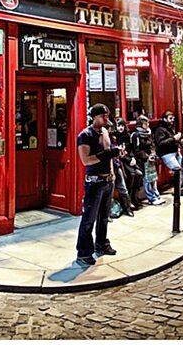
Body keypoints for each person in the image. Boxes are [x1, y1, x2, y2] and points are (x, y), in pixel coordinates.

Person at [75, 104, 120, 266]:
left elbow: (108, 156)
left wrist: (113, 169)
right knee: (89, 218)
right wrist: (106, 155)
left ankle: (101, 244)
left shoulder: (106, 132)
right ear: (94, 117)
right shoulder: (85, 135)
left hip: (108, 180)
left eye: (107, 116)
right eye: (103, 116)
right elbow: (86, 160)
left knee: (104, 217)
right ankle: (84, 252)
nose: (106, 119)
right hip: (94, 181)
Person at [131, 115, 164, 205]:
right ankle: (151, 198)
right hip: (143, 160)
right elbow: (136, 150)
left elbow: (152, 144)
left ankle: (156, 195)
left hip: (151, 159)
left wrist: (153, 153)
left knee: (153, 178)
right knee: (147, 179)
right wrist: (146, 156)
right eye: (146, 123)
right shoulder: (136, 135)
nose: (148, 124)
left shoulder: (148, 133)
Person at [114, 118, 143, 210]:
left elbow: (130, 149)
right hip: (122, 160)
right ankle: (128, 200)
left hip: (129, 158)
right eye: (118, 126)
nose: (121, 128)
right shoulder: (115, 137)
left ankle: (134, 197)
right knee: (132, 174)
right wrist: (128, 159)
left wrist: (133, 158)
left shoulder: (127, 136)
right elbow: (118, 153)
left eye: (122, 125)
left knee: (139, 174)